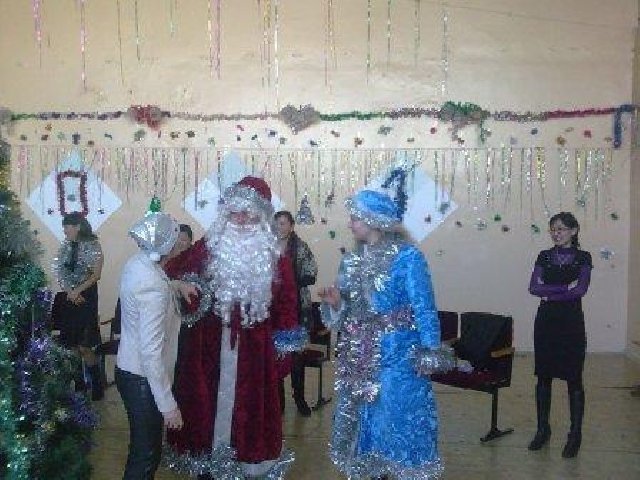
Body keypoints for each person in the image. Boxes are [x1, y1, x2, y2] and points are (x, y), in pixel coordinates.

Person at [163, 176, 304, 479]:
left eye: (247, 213)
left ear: (261, 217)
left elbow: (287, 307)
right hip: (207, 350)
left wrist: (282, 353)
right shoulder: (207, 248)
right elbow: (172, 270)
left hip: (255, 355)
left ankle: (248, 462)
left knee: (249, 413)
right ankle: (205, 460)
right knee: (204, 407)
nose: (239, 220)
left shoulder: (275, 259)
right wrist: (181, 285)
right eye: (234, 212)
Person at [318, 185, 456, 479]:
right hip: (359, 354)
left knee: (395, 414)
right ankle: (370, 467)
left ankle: (399, 468)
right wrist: (337, 302)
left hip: (398, 353)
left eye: (355, 218)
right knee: (362, 414)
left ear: (375, 220)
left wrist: (430, 349)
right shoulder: (351, 260)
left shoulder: (408, 257)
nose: (350, 224)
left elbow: (424, 306)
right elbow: (350, 310)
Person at [116, 211, 196, 480]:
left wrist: (177, 284)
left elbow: (151, 284)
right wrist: (168, 405)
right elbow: (151, 352)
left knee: (142, 451)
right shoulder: (154, 288)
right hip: (142, 378)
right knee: (146, 456)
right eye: (175, 239)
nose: (179, 244)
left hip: (128, 370)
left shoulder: (138, 264)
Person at [528, 212, 592, 458]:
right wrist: (564, 288)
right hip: (546, 322)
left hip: (571, 323)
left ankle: (575, 434)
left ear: (574, 231)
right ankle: (543, 429)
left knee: (574, 378)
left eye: (561, 229)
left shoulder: (583, 257)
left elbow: (581, 290)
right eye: (553, 229)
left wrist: (549, 293)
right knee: (543, 377)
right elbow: (533, 287)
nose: (556, 233)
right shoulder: (544, 256)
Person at [52, 212, 104, 401]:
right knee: (72, 345)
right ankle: (79, 384)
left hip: (86, 297)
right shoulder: (65, 246)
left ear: (78, 227)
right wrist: (69, 292)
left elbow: (96, 275)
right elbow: (59, 272)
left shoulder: (93, 245)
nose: (65, 230)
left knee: (85, 346)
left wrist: (77, 291)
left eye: (67, 226)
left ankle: (97, 384)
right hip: (70, 298)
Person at [274, 210, 318, 416]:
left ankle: (299, 398)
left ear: (291, 226)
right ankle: (278, 402)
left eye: (283, 223)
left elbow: (311, 274)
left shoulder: (300, 247)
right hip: (275, 309)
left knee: (297, 356)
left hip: (297, 308)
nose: (279, 227)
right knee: (277, 354)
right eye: (276, 223)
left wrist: (289, 281)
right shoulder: (268, 246)